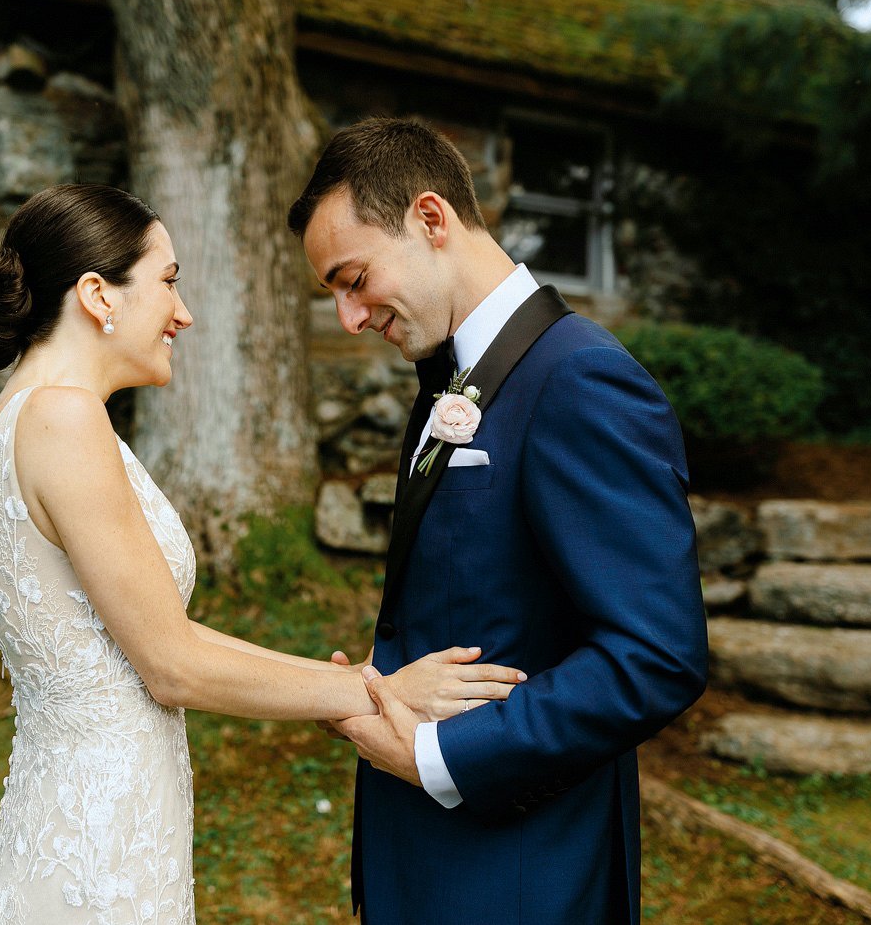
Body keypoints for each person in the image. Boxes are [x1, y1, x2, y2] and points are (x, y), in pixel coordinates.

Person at [0, 182, 528, 924]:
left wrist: (360, 680)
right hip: (96, 856)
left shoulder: (11, 424)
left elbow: (147, 644)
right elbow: (171, 664)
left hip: (69, 822)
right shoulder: (63, 418)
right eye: (168, 281)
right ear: (98, 295)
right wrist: (380, 694)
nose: (183, 312)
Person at [289, 118, 709, 925]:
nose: (348, 316)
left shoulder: (581, 377)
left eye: (354, 278)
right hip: (428, 860)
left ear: (431, 218)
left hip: (520, 872)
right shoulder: (451, 375)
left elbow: (657, 654)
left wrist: (436, 755)